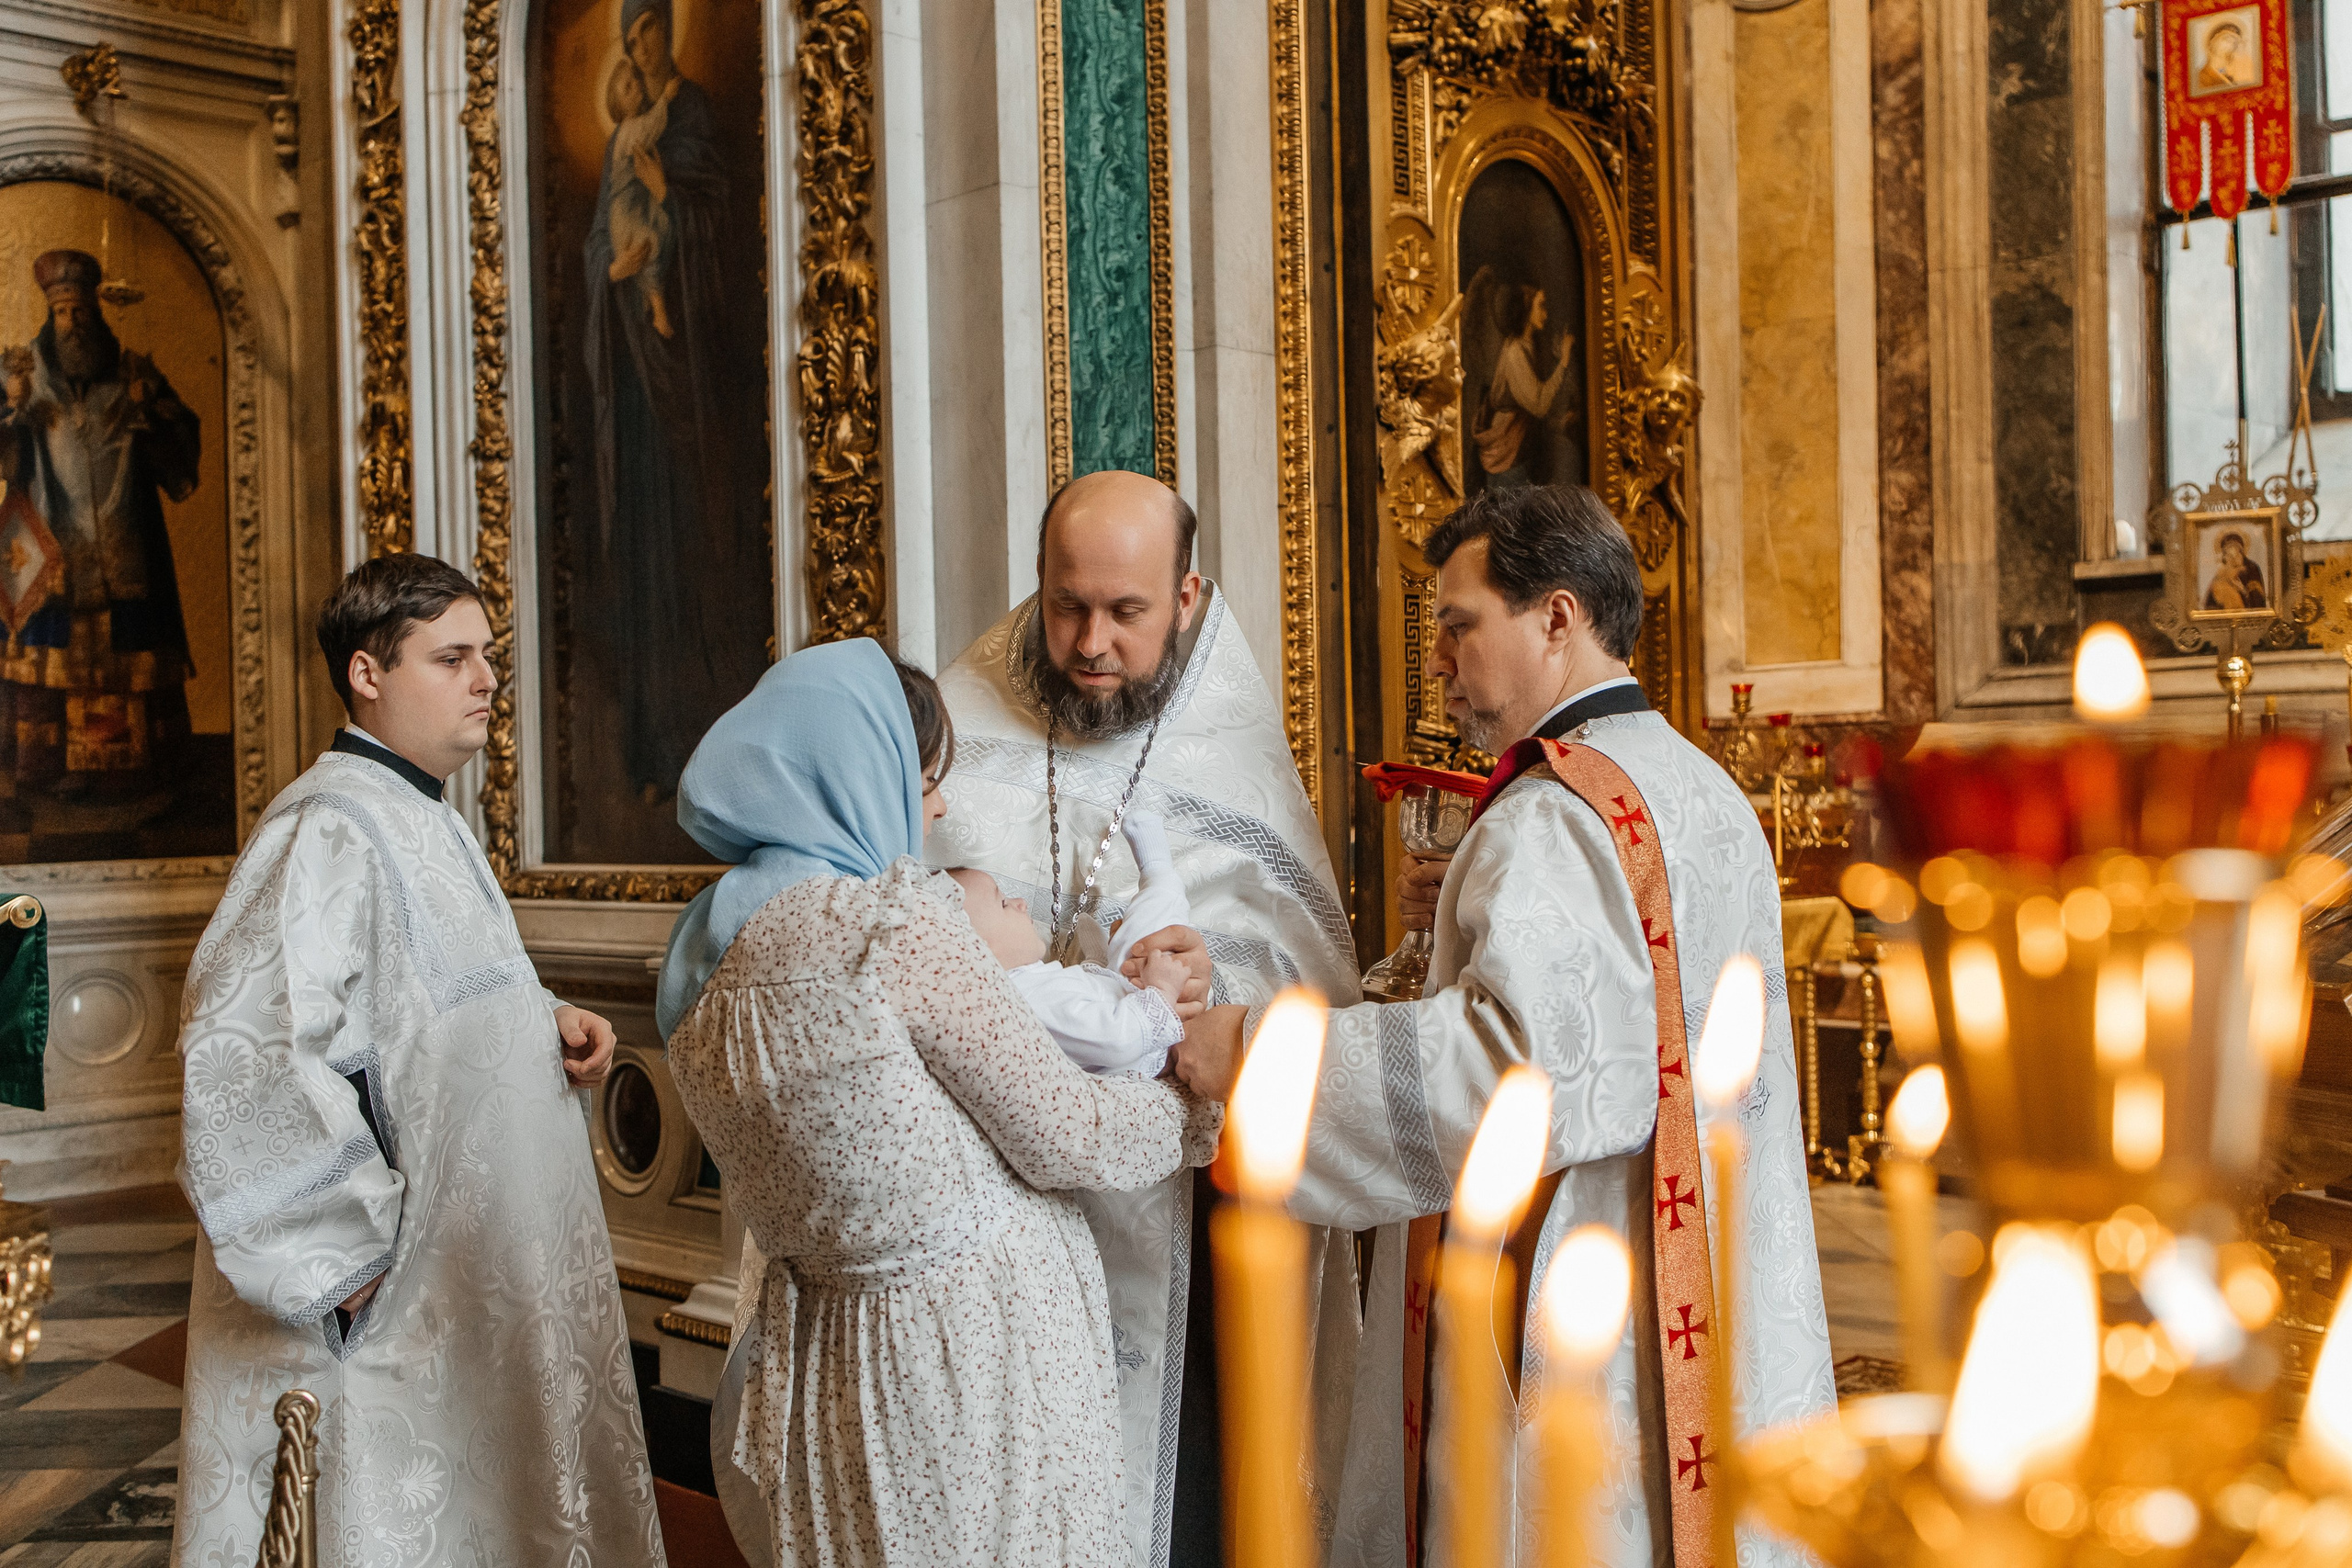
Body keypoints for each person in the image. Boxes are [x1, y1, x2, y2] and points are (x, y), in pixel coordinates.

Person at [1173, 484, 1834, 1568]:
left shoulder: (1552, 812)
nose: (1437, 660)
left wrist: (1255, 1055)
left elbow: (1511, 1077)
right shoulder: (1697, 784)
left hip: (1588, 1299)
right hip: (1711, 1272)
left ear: (1557, 618)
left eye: (1457, 624)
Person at [659, 638, 1221, 1566]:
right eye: (922, 781)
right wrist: (1194, 1092)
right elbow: (1071, 1135)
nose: (939, 807)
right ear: (855, 775)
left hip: (833, 1362)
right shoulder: (886, 924)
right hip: (972, 1364)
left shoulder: (696, 967)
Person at [172, 553, 662, 1565]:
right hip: (394, 1296)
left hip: (477, 1276)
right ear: (367, 672)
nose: (487, 679)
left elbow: (411, 1011)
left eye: (487, 655)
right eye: (453, 658)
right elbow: (248, 1047)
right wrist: (335, 1261)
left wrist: (543, 1017)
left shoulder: (426, 813)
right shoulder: (325, 825)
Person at [924, 468, 1364, 1568]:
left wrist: (1209, 984)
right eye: (1066, 605)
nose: (1090, 644)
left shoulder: (1230, 758)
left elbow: (1303, 981)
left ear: (1187, 595)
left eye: (1126, 611)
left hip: (1178, 1226)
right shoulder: (955, 728)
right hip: (993, 1230)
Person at [583, 0, 769, 807]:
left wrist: (676, 202)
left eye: (649, 29)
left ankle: (715, 749)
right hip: (638, 391)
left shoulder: (693, 113)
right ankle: (655, 748)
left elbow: (726, 219)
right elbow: (600, 239)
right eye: (629, 37)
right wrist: (612, 272)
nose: (640, 46)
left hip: (699, 386)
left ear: (669, 27)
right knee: (645, 563)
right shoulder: (624, 134)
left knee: (702, 555)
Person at [0, 248, 200, 801]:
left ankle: (125, 770)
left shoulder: (132, 372)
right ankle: (47, 769)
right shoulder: (21, 375)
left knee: (130, 645)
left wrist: (152, 411)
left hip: (124, 543)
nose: (73, 324)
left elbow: (180, 450)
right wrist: (11, 413)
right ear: (49, 316)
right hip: (50, 547)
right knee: (51, 651)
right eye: (62, 313)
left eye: (82, 311)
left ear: (98, 310)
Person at [947, 809, 1192, 1076]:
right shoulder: (1027, 999)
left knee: (1138, 946)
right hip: (1144, 1044)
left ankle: (1159, 878)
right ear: (977, 950)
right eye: (1004, 903)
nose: (1021, 903)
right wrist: (1163, 991)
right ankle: (1159, 874)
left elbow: (1081, 1004)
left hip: (1126, 1001)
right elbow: (1116, 1041)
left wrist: (1095, 961)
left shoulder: (1028, 984)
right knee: (1150, 938)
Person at [604, 58, 679, 339]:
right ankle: (658, 310)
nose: (637, 85)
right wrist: (666, 99)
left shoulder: (631, 127)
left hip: (636, 205)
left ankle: (651, 296)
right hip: (625, 213)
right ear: (620, 107)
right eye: (628, 87)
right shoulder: (629, 131)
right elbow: (652, 128)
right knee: (648, 243)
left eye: (635, 79)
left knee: (663, 227)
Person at [1473, 283, 1574, 490]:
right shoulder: (1515, 353)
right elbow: (1539, 405)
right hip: (1506, 453)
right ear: (1526, 309)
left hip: (1521, 448)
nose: (1546, 314)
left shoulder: (1530, 345)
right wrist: (1563, 362)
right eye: (1541, 306)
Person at [2204, 530, 2267, 610]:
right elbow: (2210, 606)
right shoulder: (2221, 575)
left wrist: (2243, 591)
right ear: (2224, 557)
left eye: (2236, 554)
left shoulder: (2252, 569)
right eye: (2229, 555)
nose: (2233, 559)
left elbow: (2258, 602)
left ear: (2242, 553)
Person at [2196, 20, 2256, 91]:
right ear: (2211, 43)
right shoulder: (2200, 79)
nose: (2232, 44)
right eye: (2227, 39)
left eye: (2235, 41)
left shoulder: (2232, 74)